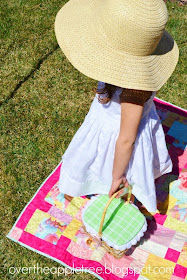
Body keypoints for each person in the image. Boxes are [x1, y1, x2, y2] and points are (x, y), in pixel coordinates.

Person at [54, 0, 179, 213]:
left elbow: (126, 139)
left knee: (101, 161)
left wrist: (118, 176)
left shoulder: (135, 91)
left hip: (118, 138)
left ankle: (108, 182)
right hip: (109, 126)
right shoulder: (132, 80)